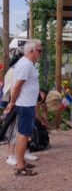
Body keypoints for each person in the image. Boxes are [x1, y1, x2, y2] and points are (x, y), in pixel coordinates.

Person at [4, 39, 41, 176]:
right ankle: (20, 166)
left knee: (24, 133)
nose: (40, 53)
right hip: (25, 104)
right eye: (39, 50)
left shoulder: (26, 63)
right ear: (32, 51)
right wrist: (12, 102)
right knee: (23, 134)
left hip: (26, 103)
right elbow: (17, 85)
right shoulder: (26, 64)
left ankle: (21, 162)